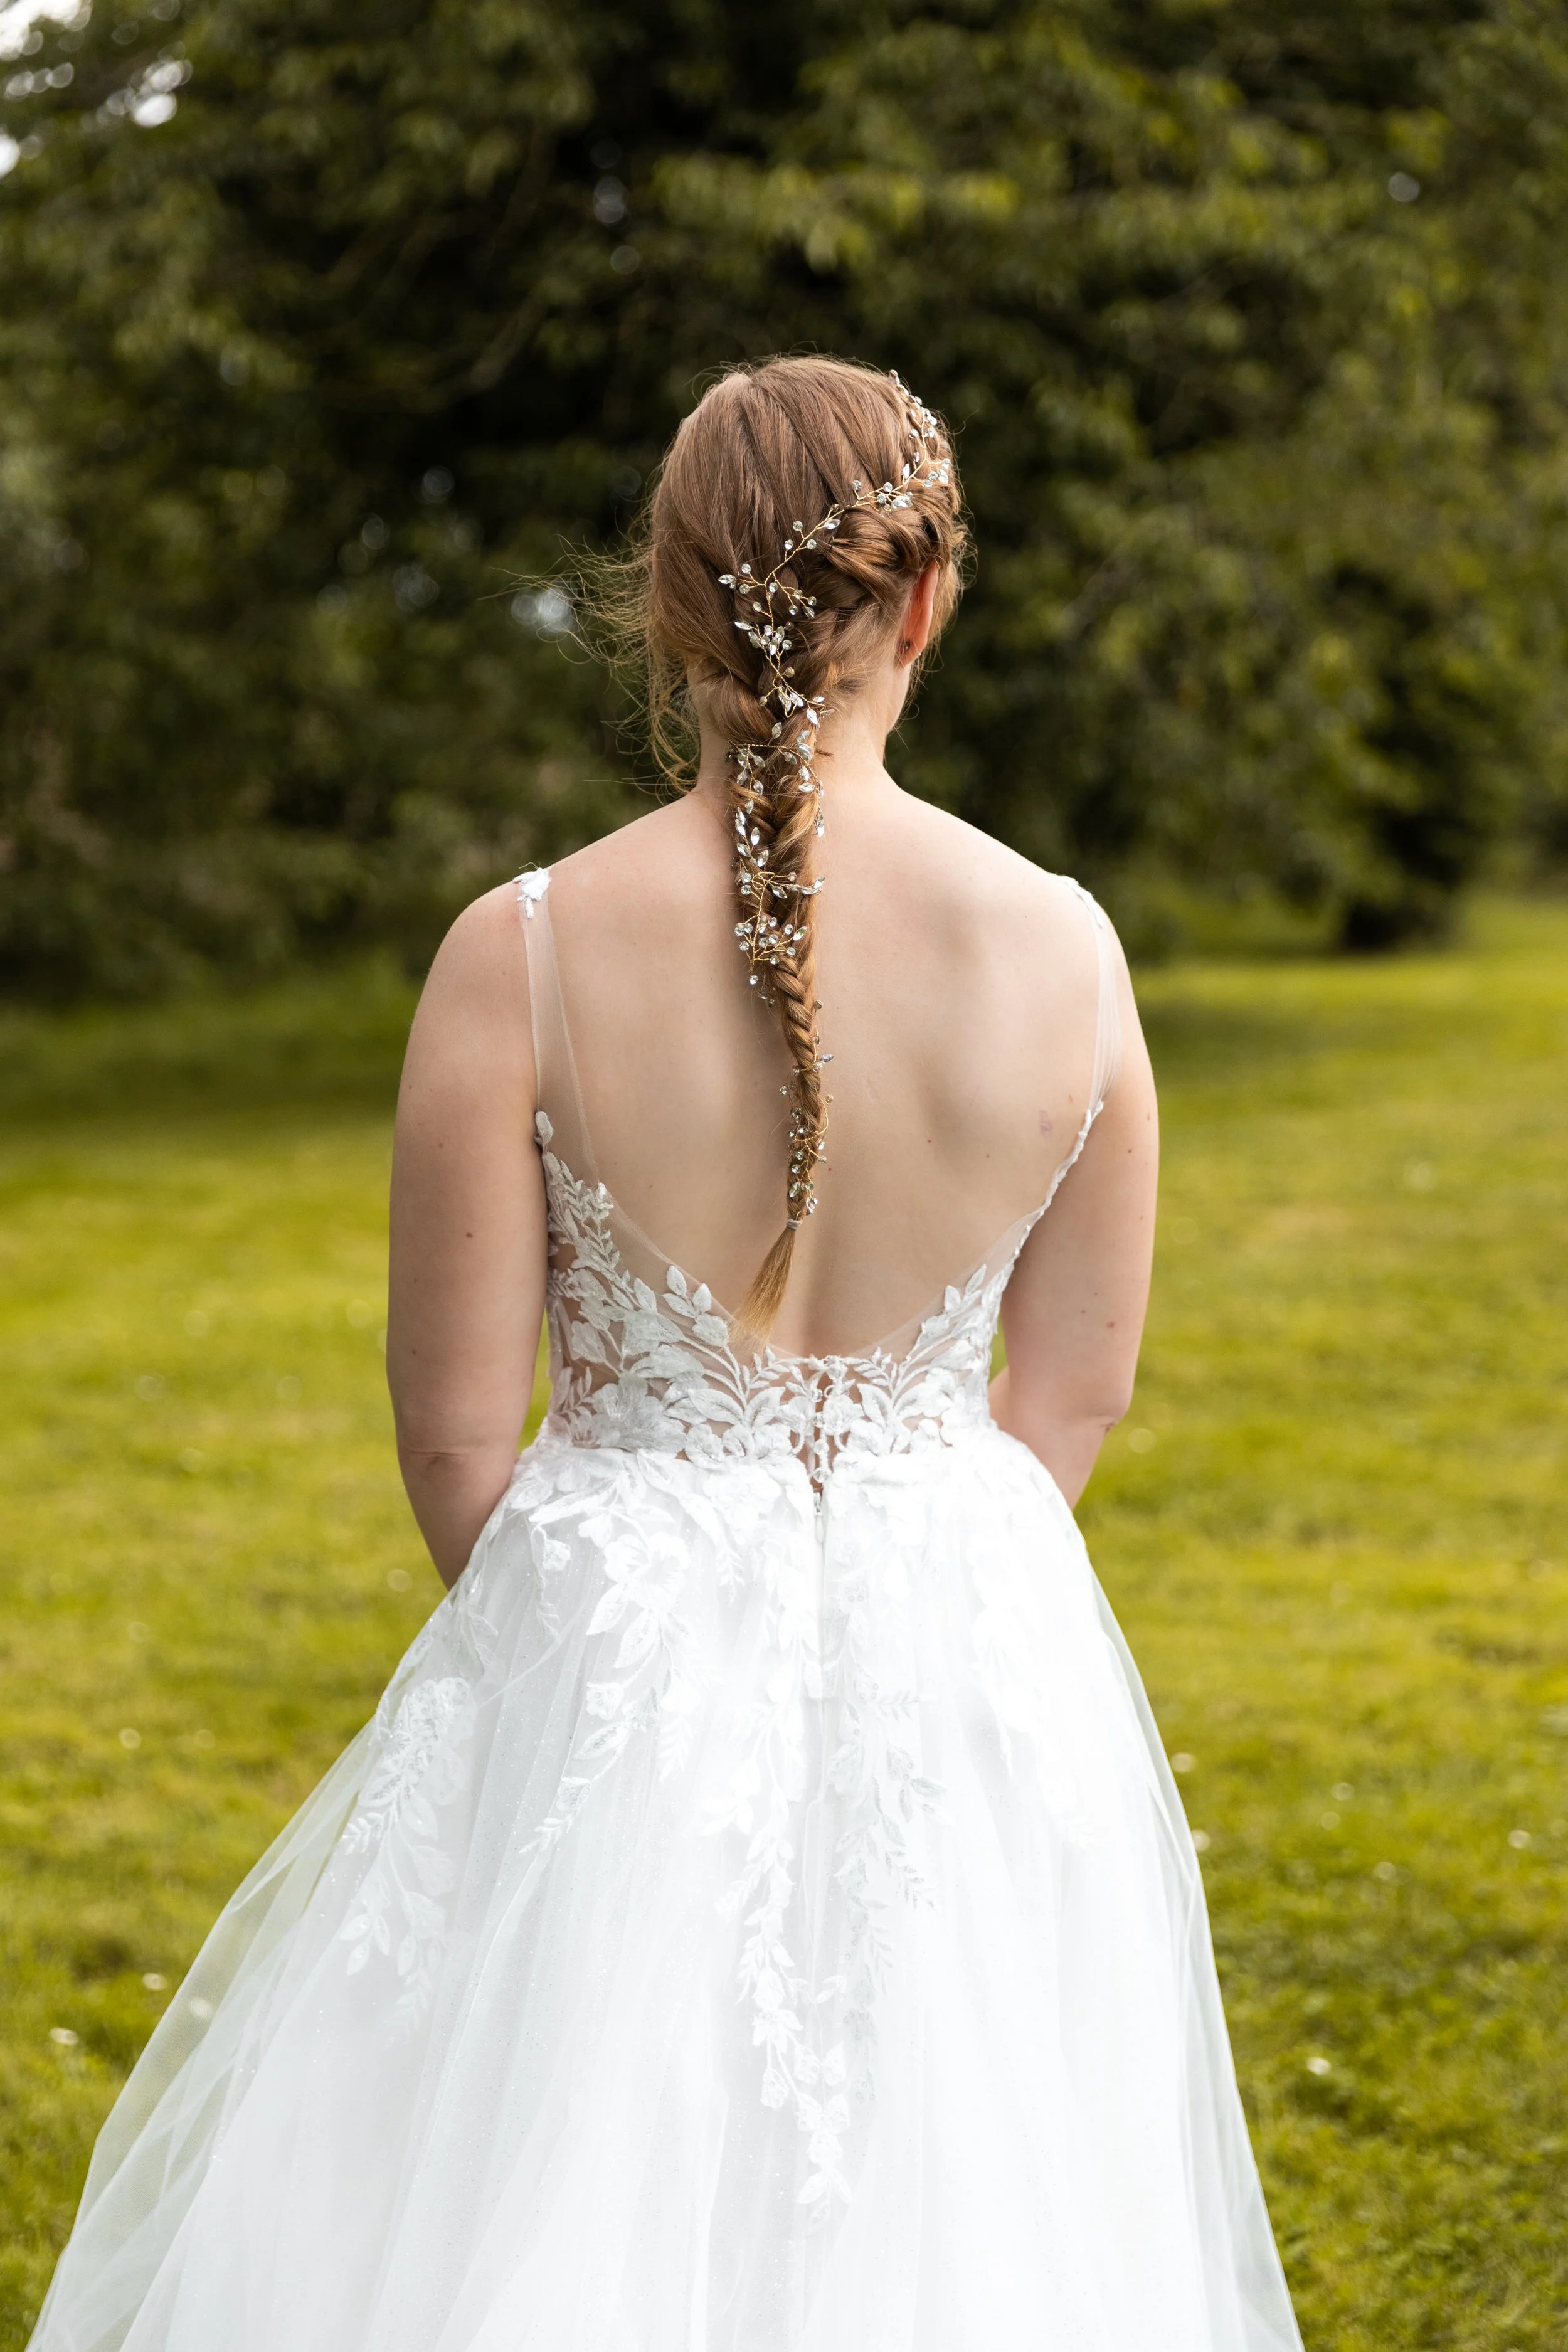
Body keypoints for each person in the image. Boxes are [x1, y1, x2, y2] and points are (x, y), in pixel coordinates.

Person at [30, 356, 1303, 2351]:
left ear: (670, 604)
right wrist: (898, 1571)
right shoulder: (1063, 944)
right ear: (923, 600)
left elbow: (456, 1438)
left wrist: (606, 1660)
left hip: (604, 1664)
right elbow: (1073, 1393)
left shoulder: (519, 949)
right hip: (965, 1652)